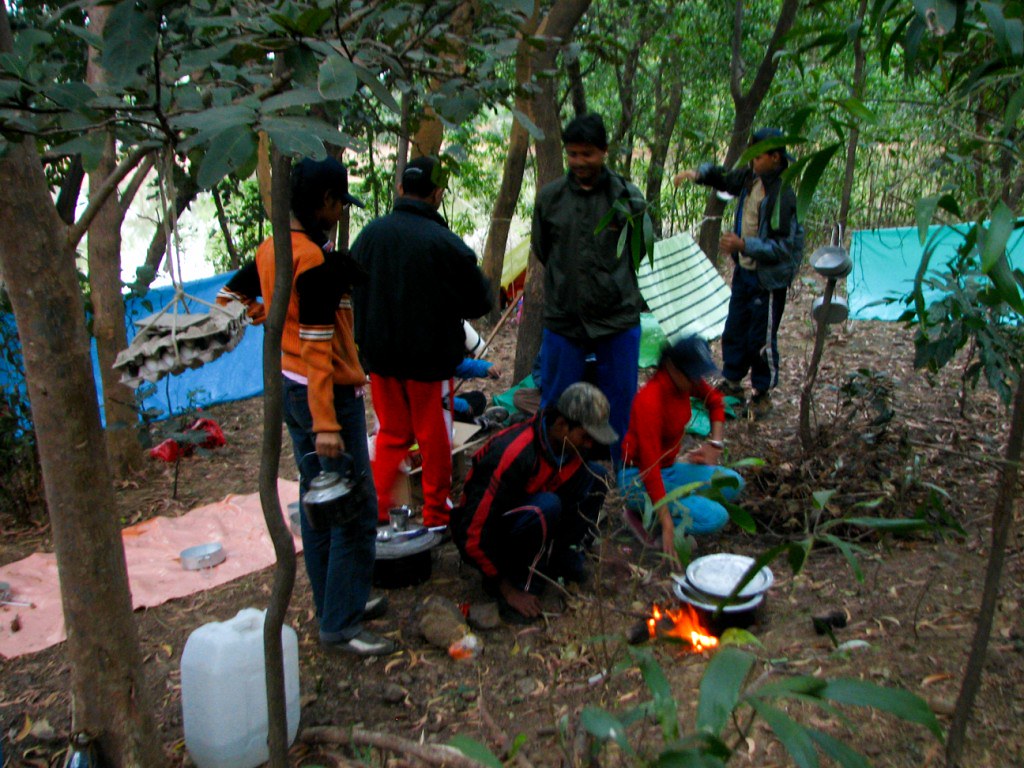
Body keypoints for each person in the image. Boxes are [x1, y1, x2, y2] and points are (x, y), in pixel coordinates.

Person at [217, 157, 394, 657]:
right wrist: (326, 423)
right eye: (339, 204)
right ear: (325, 203)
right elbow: (318, 343)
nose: (340, 213)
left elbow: (229, 298)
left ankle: (337, 603)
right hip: (323, 395)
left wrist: (268, 316)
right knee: (355, 510)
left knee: (320, 501)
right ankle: (340, 624)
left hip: (292, 385)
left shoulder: (273, 248)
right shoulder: (313, 259)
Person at [352, 156, 492, 527]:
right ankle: (435, 513)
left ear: (400, 190)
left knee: (392, 434)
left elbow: (350, 290)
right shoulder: (444, 243)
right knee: (433, 436)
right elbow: (480, 301)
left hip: (380, 359)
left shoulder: (368, 236)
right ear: (437, 194)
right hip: (427, 361)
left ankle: (381, 514)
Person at [531, 113, 647, 464]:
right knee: (555, 399)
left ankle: (615, 473)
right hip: (565, 320)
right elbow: (542, 249)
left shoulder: (627, 197)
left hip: (617, 320)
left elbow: (639, 248)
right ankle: (552, 465)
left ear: (604, 152)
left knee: (619, 399)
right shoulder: (551, 198)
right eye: (573, 154)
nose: (580, 162)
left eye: (588, 154)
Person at [450, 382, 614, 623]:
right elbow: (471, 532)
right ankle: (519, 582)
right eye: (586, 436)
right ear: (561, 425)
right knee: (546, 506)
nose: (590, 444)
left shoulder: (570, 447)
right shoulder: (514, 452)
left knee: (597, 476)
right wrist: (505, 588)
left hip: (535, 518)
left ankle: (564, 559)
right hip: (495, 537)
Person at [673, 127, 805, 420]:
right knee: (735, 328)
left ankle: (762, 393)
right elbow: (724, 177)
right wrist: (698, 174)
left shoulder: (783, 194)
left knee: (760, 337)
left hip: (767, 279)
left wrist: (743, 244)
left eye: (758, 158)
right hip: (745, 273)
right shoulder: (750, 178)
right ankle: (732, 383)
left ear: (775, 157)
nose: (753, 162)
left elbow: (783, 247)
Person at [619, 336, 745, 559]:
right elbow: (649, 467)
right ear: (672, 368)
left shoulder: (686, 382)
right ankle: (644, 515)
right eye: (693, 374)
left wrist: (714, 445)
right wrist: (668, 522)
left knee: (733, 482)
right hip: (637, 477)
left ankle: (663, 511)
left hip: (669, 469)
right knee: (715, 517)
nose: (697, 379)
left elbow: (715, 401)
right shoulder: (649, 400)